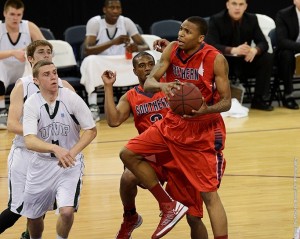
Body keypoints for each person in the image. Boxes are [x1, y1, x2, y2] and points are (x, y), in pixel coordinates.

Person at [119, 16, 230, 239]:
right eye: (180, 29)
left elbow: (226, 102)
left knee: (208, 198)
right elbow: (150, 82)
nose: (180, 34)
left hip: (201, 132)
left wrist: (205, 110)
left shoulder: (215, 59)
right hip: (172, 124)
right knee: (127, 153)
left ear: (200, 38)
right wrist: (163, 84)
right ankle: (168, 205)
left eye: (187, 31)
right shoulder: (171, 49)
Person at [103, 51, 208, 239]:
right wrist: (108, 87)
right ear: (134, 71)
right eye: (141, 65)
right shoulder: (131, 96)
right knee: (127, 177)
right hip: (153, 155)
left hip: (179, 155)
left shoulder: (168, 87)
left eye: (150, 63)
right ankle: (130, 217)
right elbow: (113, 120)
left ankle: (171, 208)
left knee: (193, 218)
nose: (147, 68)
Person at [0, 40, 75, 239]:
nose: (46, 55)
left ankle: (28, 235)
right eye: (41, 52)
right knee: (17, 209)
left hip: (50, 157)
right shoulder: (22, 86)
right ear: (31, 59)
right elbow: (12, 125)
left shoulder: (64, 86)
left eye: (49, 52)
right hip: (25, 153)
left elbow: (77, 121)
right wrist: (40, 135)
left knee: (38, 209)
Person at [19, 59, 97, 239]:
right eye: (46, 74)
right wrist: (55, 148)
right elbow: (30, 140)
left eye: (54, 72)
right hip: (41, 164)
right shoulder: (31, 103)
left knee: (67, 211)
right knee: (34, 216)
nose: (53, 77)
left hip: (69, 163)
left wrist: (72, 152)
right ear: (36, 80)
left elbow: (91, 130)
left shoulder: (71, 98)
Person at [80, 0, 150, 122]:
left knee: (148, 56)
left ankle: (146, 100)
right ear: (104, 9)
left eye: (118, 8)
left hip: (122, 61)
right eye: (112, 7)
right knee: (90, 60)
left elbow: (145, 46)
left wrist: (135, 47)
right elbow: (86, 50)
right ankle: (93, 106)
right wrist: (113, 42)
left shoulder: (126, 22)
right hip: (102, 61)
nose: (115, 11)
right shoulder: (95, 22)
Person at [205, 0, 274, 111]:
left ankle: (258, 99)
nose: (237, 7)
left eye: (241, 4)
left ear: (245, 6)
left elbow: (263, 43)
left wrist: (254, 50)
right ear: (227, 5)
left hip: (245, 60)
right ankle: (217, 99)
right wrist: (233, 50)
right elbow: (210, 45)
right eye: (234, 4)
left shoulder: (251, 19)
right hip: (224, 61)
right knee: (214, 59)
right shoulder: (216, 19)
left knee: (267, 57)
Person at [0, 0, 45, 129]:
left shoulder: (29, 26)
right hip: (4, 67)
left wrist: (30, 52)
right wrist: (13, 53)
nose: (15, 18)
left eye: (19, 15)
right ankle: (2, 110)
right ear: (4, 13)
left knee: (36, 68)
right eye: (12, 14)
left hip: (24, 66)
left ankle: (33, 111)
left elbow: (45, 47)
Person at [274, 0, 300, 109]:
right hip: (290, 50)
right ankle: (288, 95)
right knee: (286, 55)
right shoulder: (283, 14)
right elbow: (282, 41)